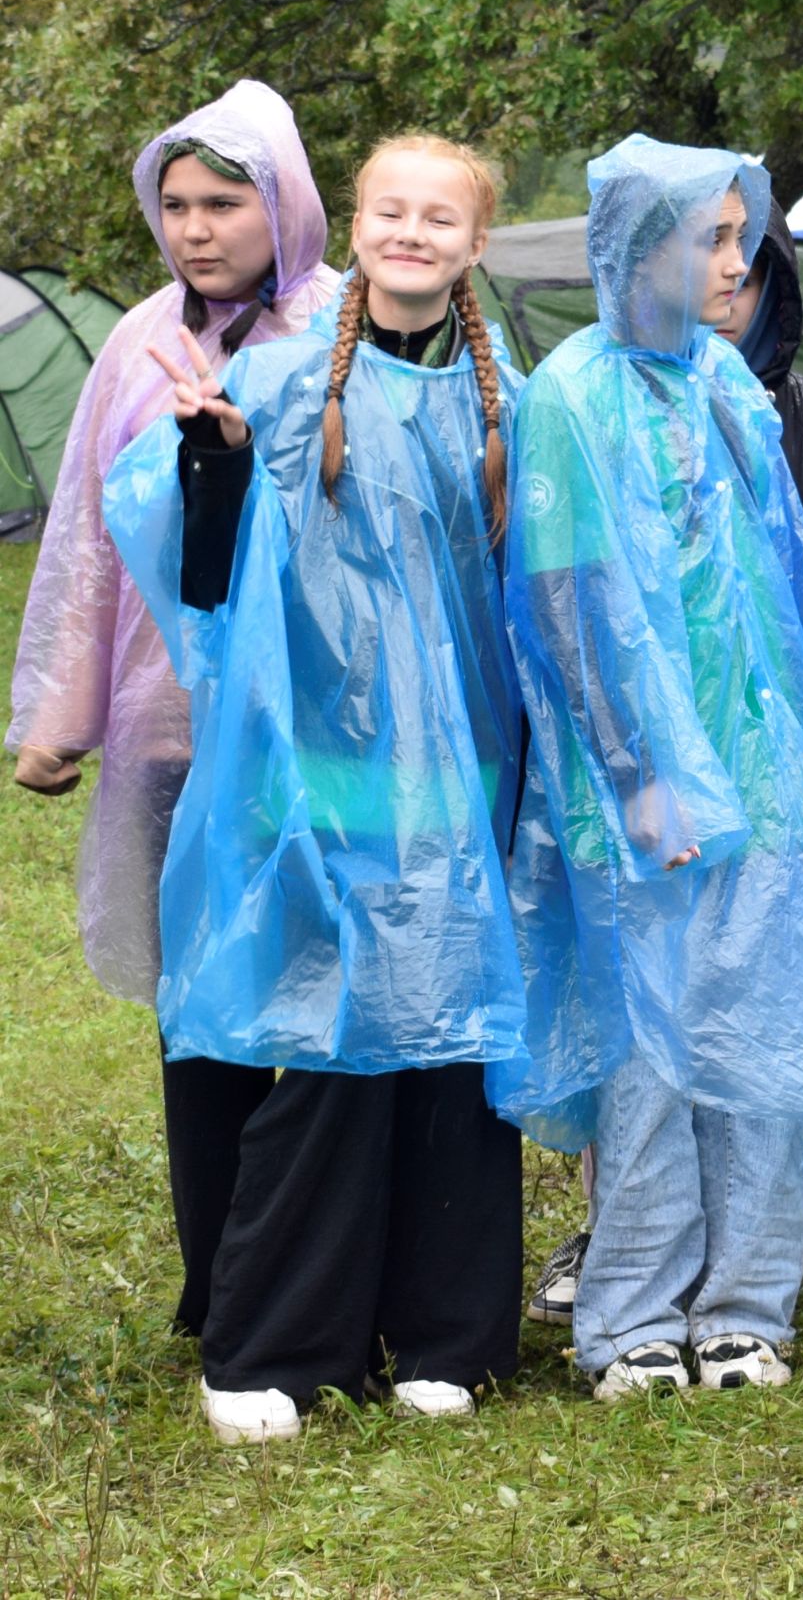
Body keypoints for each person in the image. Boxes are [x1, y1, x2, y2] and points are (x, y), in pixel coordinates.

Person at [496, 133, 803, 1397]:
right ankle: (635, 1314)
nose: (739, 265)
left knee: (758, 1036)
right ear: (642, 247)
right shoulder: (572, 395)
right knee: (651, 1053)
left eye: (745, 238)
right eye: (715, 237)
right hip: (634, 787)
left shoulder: (733, 390)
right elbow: (567, 598)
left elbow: (791, 599)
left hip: (764, 774)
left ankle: (746, 1305)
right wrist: (638, 766)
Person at [104, 135, 533, 1444]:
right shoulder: (284, 377)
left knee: (452, 1042)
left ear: (474, 239)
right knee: (333, 1044)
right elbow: (202, 574)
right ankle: (286, 1342)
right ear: (349, 223)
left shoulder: (501, 392)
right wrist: (214, 456)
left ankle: (450, 1331)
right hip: (321, 768)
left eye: (439, 215)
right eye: (389, 209)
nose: (412, 231)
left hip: (461, 770)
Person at [7, 80, 338, 1341]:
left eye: (225, 201)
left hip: (314, 733)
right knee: (199, 1013)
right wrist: (61, 713)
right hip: (171, 739)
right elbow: (90, 541)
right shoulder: (141, 339)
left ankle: (307, 1271)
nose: (197, 229)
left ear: (285, 202)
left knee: (313, 1001)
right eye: (177, 205)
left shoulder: (341, 325)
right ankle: (218, 1284)